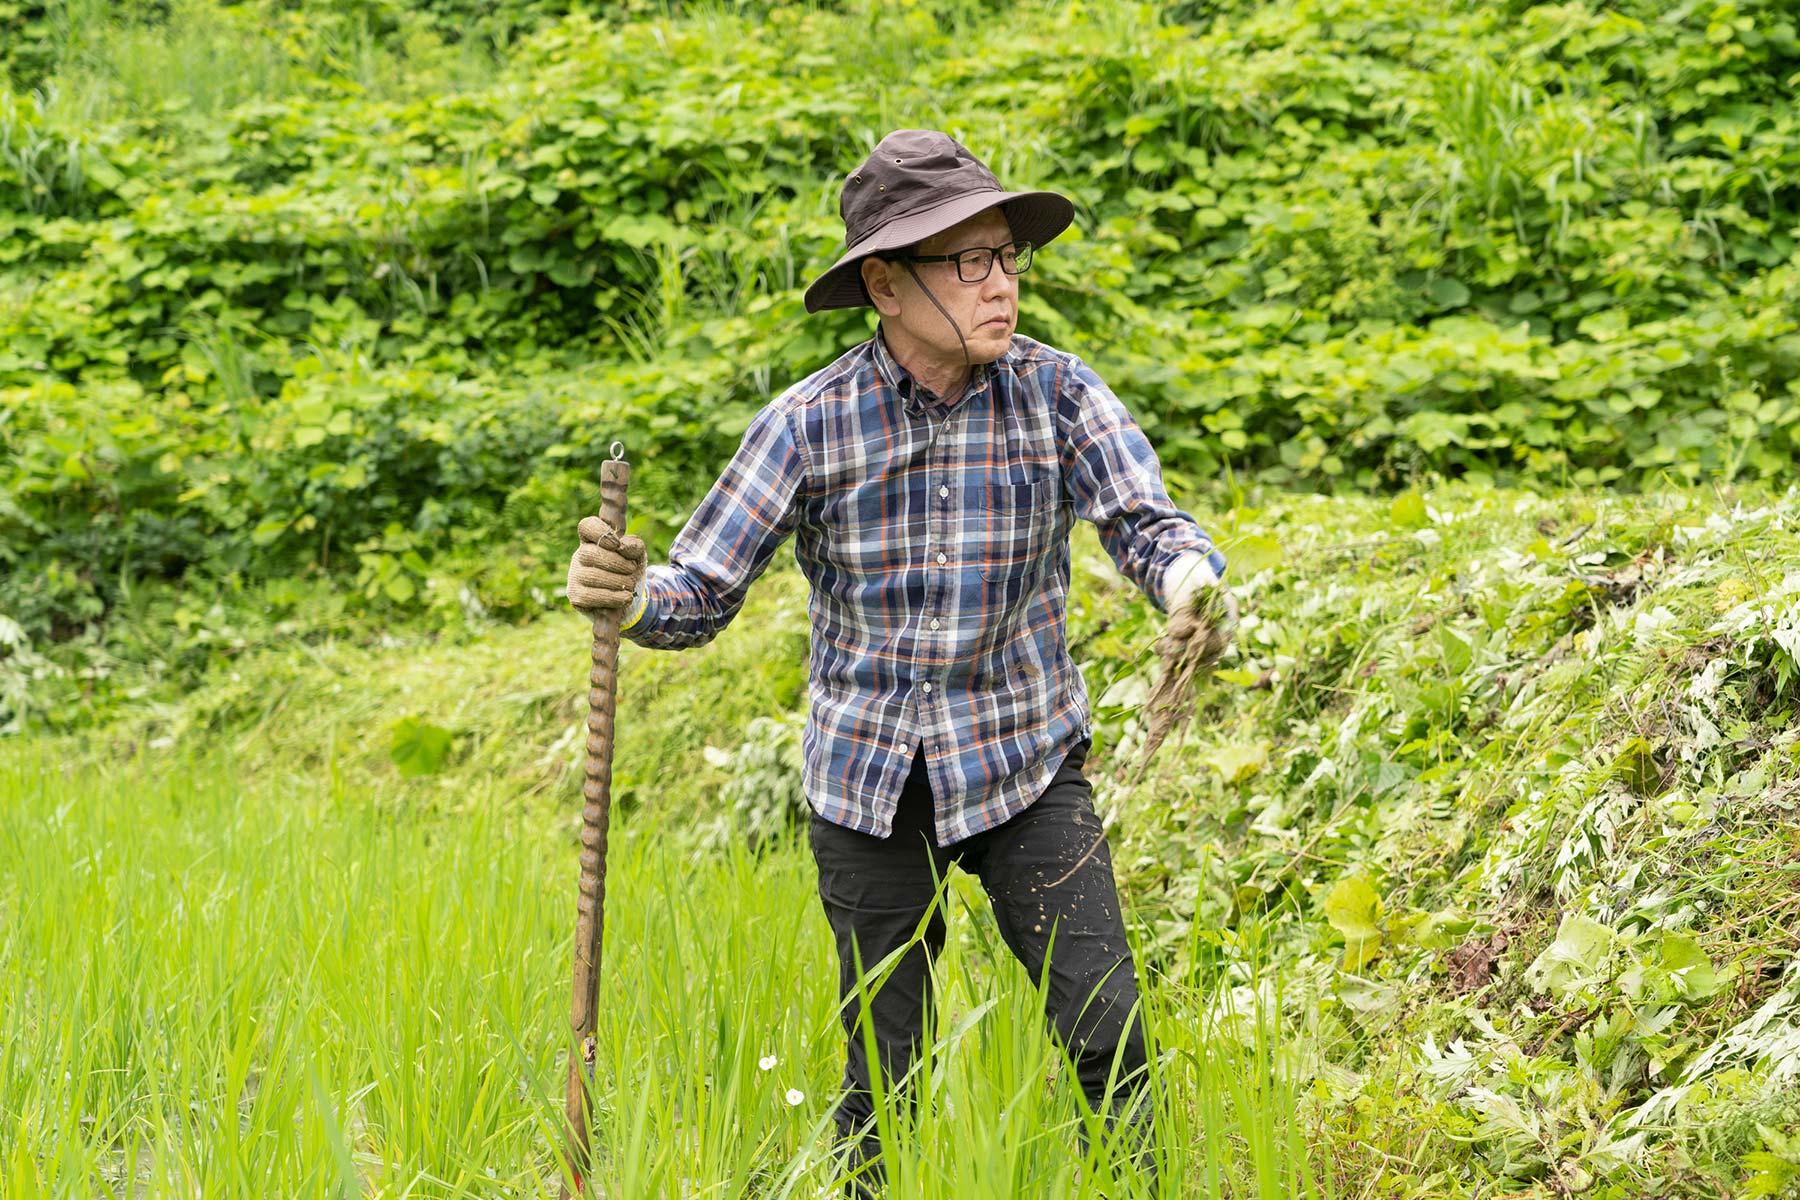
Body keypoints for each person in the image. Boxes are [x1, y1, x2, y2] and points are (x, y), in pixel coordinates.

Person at [566, 128, 1235, 1196]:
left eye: (1006, 258)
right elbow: (696, 596)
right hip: (870, 782)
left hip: (1024, 761)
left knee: (1108, 1028)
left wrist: (1191, 583)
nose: (999, 287)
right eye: (966, 263)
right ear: (885, 283)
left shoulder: (1057, 396)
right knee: (885, 1074)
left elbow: (1146, 521)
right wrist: (628, 598)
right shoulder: (807, 425)